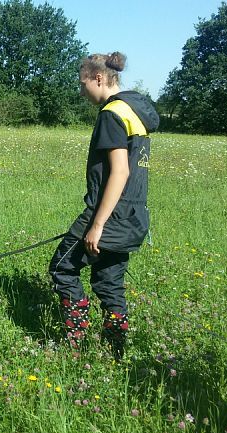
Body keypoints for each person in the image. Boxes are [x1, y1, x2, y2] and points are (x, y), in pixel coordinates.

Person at [49, 52, 159, 361]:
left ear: (98, 78)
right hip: (133, 216)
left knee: (62, 268)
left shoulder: (112, 113)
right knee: (108, 282)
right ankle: (116, 349)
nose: (81, 90)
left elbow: (120, 171)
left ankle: (75, 340)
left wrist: (97, 225)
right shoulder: (134, 111)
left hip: (108, 215)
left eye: (82, 83)